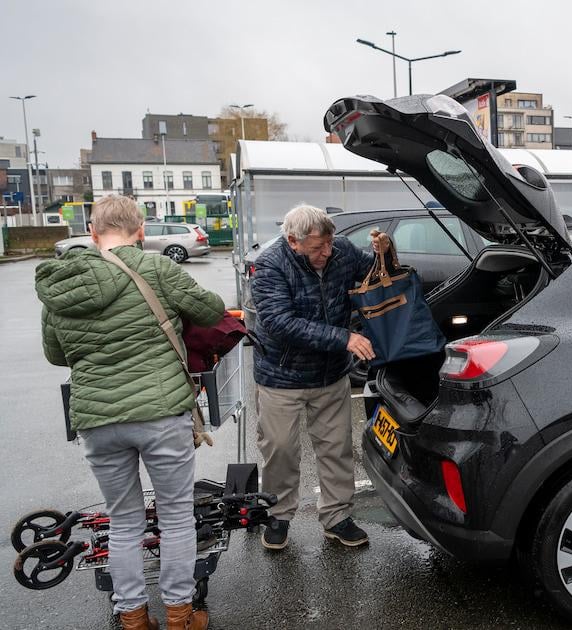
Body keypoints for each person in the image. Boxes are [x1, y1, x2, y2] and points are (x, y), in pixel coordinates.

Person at [37, 195, 225, 630]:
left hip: (97, 419)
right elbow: (212, 311)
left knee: (123, 522)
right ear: (140, 230)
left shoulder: (61, 283)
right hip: (160, 412)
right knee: (176, 516)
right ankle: (179, 614)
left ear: (92, 230)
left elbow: (54, 354)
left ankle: (134, 617)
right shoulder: (155, 268)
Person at [251, 204, 389, 550]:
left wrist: (385, 253)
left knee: (336, 448)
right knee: (280, 449)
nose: (327, 253)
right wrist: (344, 338)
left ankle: (337, 516)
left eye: (329, 244)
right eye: (317, 248)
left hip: (330, 375)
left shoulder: (340, 249)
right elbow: (279, 323)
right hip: (281, 376)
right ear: (293, 242)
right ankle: (279, 516)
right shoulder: (270, 265)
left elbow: (374, 274)